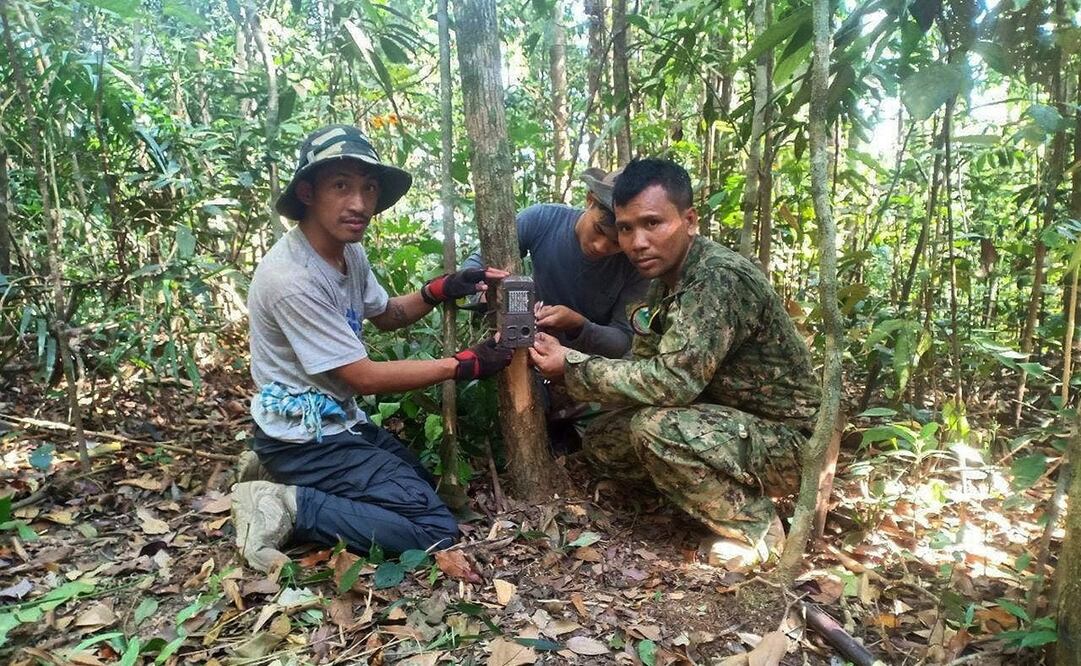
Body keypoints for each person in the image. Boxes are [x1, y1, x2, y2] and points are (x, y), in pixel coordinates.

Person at [231, 125, 513, 572]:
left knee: (423, 486)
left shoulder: (347, 252)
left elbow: (387, 314)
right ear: (307, 192)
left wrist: (442, 288)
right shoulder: (291, 279)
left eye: (369, 188)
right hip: (304, 438)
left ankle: (279, 472)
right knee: (433, 528)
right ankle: (287, 504)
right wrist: (464, 365)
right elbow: (362, 377)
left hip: (336, 422)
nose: (359, 204)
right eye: (341, 186)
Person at [529, 158, 821, 567]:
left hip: (788, 442)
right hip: (725, 420)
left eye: (653, 223)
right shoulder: (665, 283)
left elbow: (672, 382)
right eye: (626, 228)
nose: (637, 242)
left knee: (655, 429)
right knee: (605, 440)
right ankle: (692, 498)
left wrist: (573, 367)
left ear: (690, 221)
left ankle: (758, 531)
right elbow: (644, 364)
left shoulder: (717, 278)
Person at [463, 168, 648, 359]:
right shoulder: (543, 219)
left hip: (588, 366)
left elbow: (623, 340)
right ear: (590, 200)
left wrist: (579, 326)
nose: (600, 247)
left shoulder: (636, 264)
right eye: (598, 230)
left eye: (616, 243)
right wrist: (491, 295)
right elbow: (473, 267)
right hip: (526, 351)